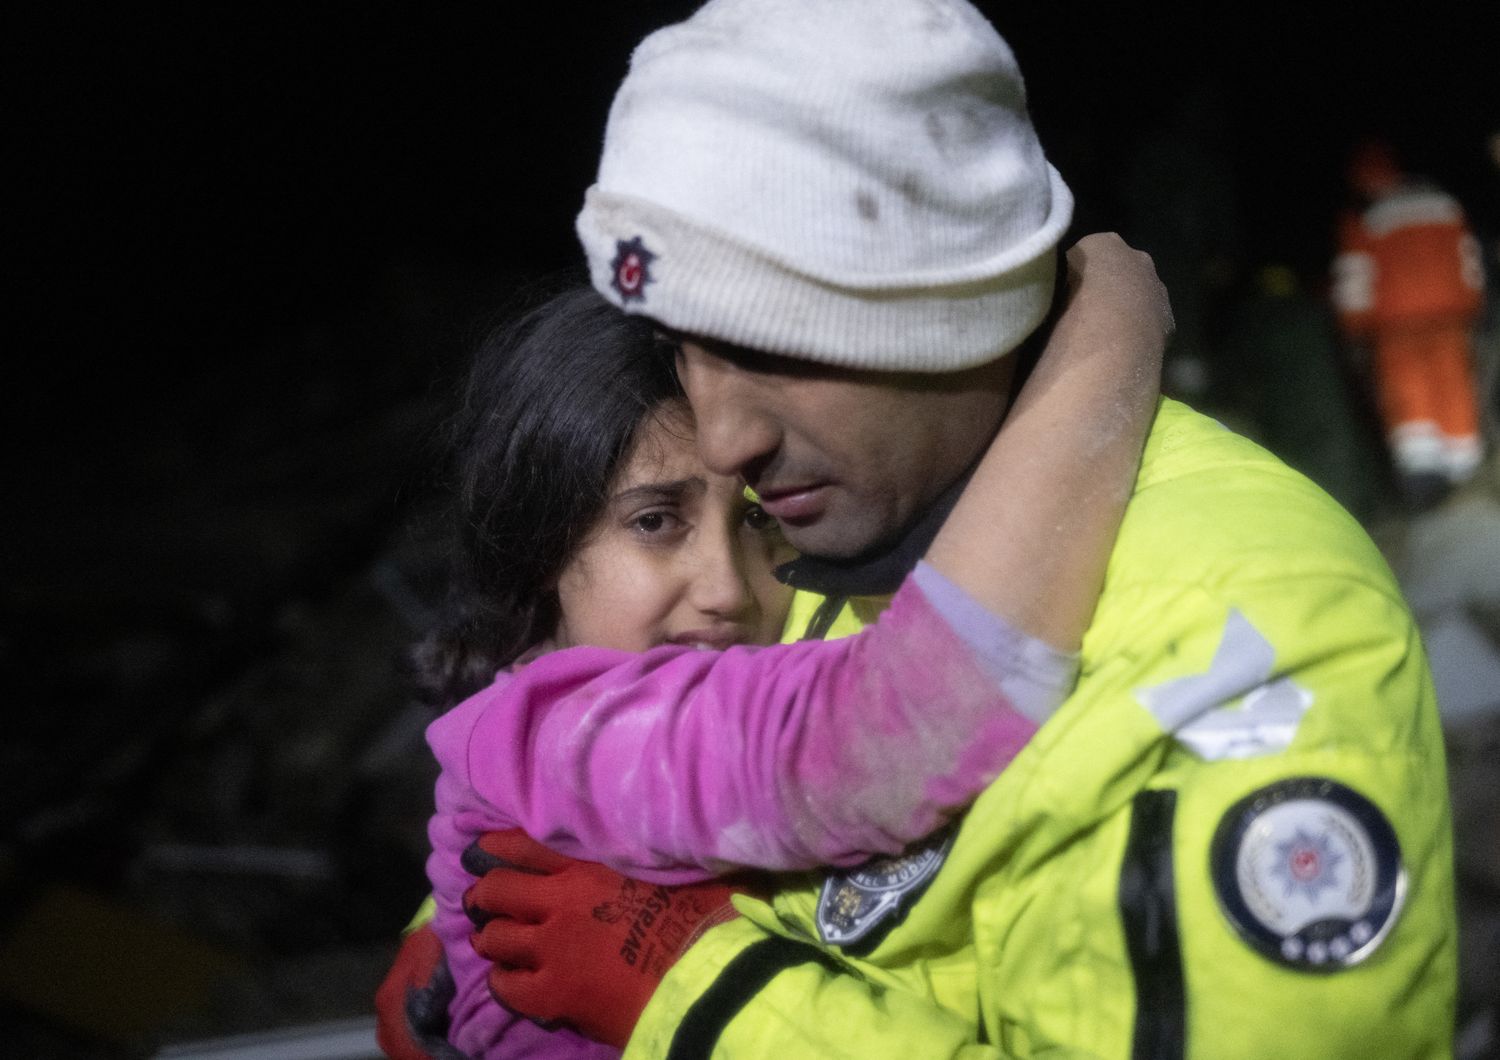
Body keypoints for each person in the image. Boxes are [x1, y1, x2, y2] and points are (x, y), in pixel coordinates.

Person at [394, 1, 1458, 1056]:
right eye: (684, 348)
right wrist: (470, 910)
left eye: (776, 347)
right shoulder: (819, 524)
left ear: (950, 310)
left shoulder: (1238, 640)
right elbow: (616, 745)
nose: (725, 444)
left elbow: (881, 722)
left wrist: (709, 1004)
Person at [412, 259, 1161, 1058]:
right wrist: (1112, 325)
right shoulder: (564, 730)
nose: (727, 590)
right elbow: (890, 733)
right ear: (540, 546)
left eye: (758, 521)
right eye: (657, 521)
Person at [1332, 138, 1487, 509]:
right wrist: (1474, 303)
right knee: (1453, 385)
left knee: (1409, 392)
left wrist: (1352, 326)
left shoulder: (1366, 216)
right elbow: (1469, 258)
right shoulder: (1443, 202)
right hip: (1450, 314)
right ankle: (1466, 469)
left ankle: (1423, 481)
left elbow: (1356, 277)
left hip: (1395, 323)